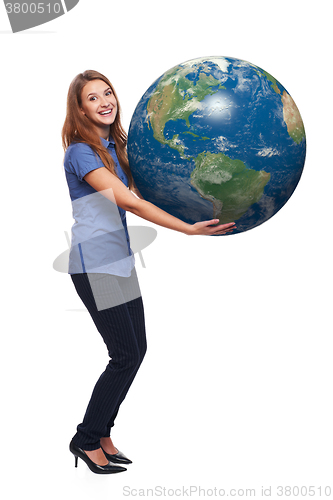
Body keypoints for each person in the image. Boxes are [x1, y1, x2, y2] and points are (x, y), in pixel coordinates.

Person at [62, 70, 236, 475]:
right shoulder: (80, 153)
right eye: (93, 98)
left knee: (136, 351)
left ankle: (103, 434)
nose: (105, 101)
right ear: (80, 108)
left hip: (119, 261)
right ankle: (85, 439)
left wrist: (199, 193)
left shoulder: (113, 146)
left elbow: (151, 189)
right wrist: (188, 230)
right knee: (124, 355)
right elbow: (131, 203)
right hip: (95, 265)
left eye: (108, 93)